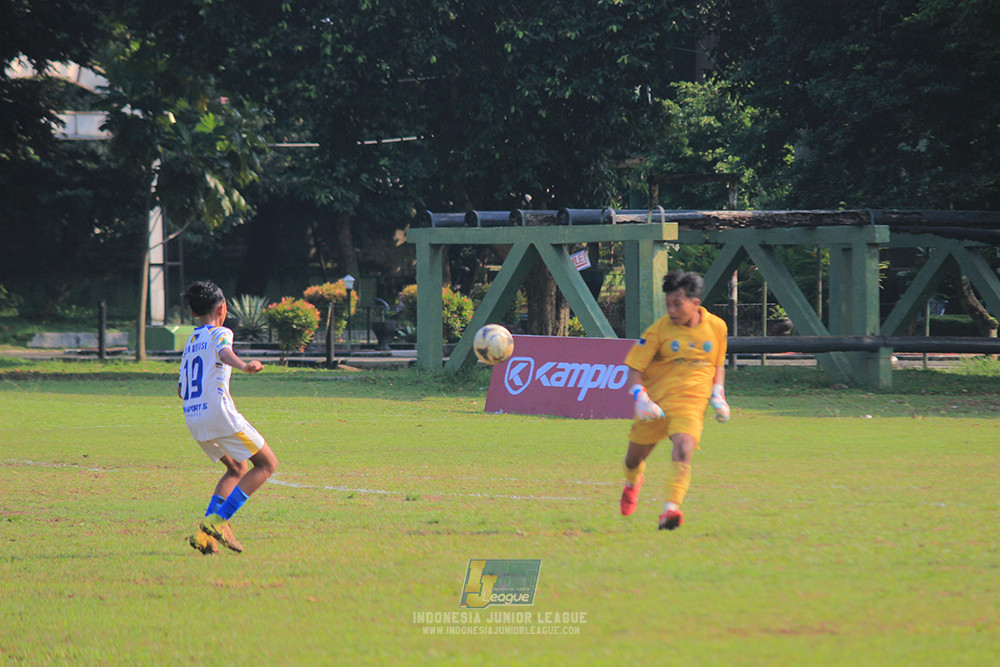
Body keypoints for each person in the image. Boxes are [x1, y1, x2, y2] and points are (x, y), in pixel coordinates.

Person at [619, 270, 730, 530]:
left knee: (683, 448)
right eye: (668, 303)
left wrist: (718, 393)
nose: (671, 309)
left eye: (677, 304)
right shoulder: (658, 331)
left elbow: (718, 364)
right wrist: (641, 398)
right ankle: (632, 482)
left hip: (691, 404)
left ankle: (671, 509)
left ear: (695, 304)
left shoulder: (717, 327)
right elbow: (635, 368)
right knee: (633, 460)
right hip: (655, 406)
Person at [179, 280, 278, 554]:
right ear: (222, 307)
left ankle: (204, 537)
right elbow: (224, 352)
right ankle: (218, 522)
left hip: (193, 417)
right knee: (267, 464)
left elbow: (180, 389)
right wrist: (244, 365)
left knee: (236, 468)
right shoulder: (221, 332)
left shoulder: (191, 340)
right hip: (218, 414)